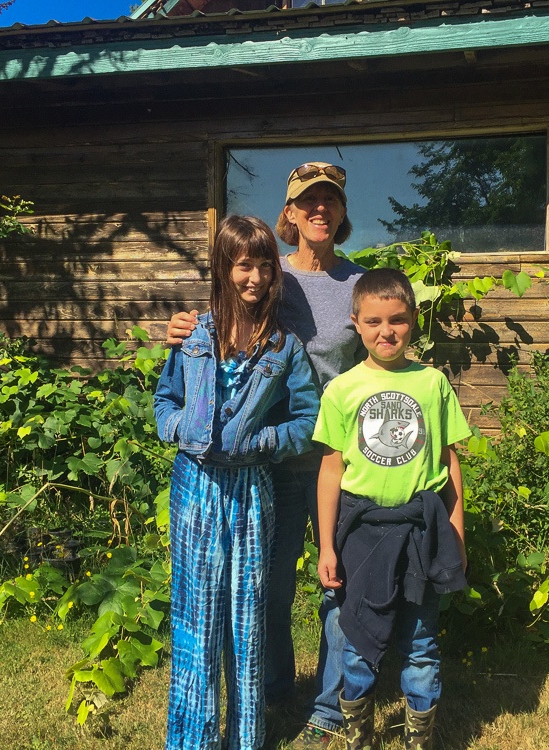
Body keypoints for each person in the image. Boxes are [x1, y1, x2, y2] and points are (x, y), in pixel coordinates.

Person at [166, 162, 365, 747]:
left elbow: (386, 349)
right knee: (269, 592)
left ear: (342, 210)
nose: (319, 210)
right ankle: (274, 691)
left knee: (338, 587)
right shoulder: (276, 274)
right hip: (268, 469)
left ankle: (330, 705)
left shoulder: (360, 285)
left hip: (338, 461)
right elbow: (225, 316)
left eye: (330, 200)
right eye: (308, 202)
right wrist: (184, 327)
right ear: (291, 213)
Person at [154, 215, 320, 750]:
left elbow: (308, 420)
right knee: (196, 617)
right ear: (223, 268)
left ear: (275, 272)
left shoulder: (283, 347)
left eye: (264, 265)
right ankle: (192, 740)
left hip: (252, 492)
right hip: (195, 486)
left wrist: (261, 443)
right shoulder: (193, 335)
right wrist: (188, 431)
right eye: (242, 265)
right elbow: (163, 405)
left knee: (247, 617)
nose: (254, 277)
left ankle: (246, 739)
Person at [314, 268, 470, 750]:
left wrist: (457, 532)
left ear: (413, 320)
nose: (388, 332)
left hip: (422, 528)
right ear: (356, 324)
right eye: (375, 321)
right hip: (361, 532)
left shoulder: (432, 383)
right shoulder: (342, 389)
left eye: (398, 320)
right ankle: (358, 737)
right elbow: (331, 471)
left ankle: (419, 738)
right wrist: (326, 547)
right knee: (358, 641)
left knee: (421, 643)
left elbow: (449, 460)